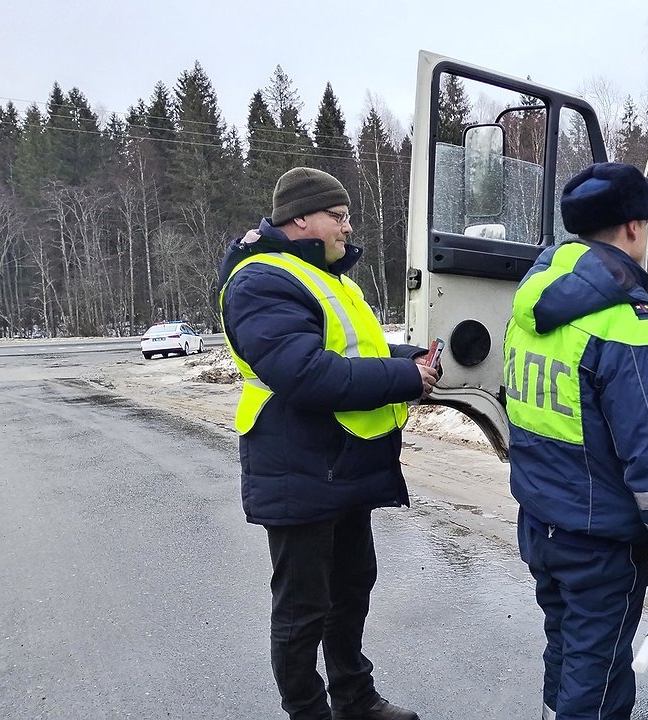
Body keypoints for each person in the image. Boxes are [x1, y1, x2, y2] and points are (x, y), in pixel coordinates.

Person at [218, 167, 438, 720]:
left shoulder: (327, 276)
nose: (348, 227)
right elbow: (308, 374)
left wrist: (403, 356)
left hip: (342, 467)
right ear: (301, 219)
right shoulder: (261, 280)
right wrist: (406, 379)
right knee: (302, 611)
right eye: (337, 217)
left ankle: (355, 699)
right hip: (297, 468)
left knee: (351, 590)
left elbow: (353, 349)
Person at [504, 162, 648, 720]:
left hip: (541, 523)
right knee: (598, 683)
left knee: (568, 651)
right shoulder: (631, 325)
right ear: (634, 228)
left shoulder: (532, 307)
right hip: (598, 546)